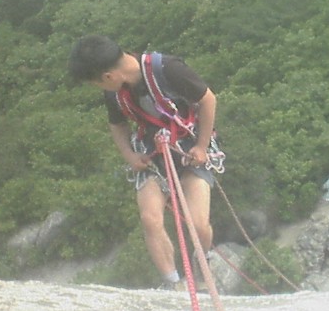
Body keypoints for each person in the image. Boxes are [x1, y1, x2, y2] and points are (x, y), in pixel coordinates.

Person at [68, 34, 223, 289]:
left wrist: (202, 147)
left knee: (197, 224)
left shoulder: (168, 69)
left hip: (189, 144)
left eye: (97, 84)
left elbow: (208, 100)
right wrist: (130, 156)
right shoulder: (116, 93)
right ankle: (172, 283)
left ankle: (202, 260)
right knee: (151, 219)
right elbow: (117, 125)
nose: (100, 89)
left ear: (108, 76)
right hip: (152, 152)